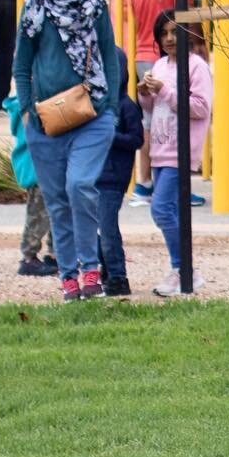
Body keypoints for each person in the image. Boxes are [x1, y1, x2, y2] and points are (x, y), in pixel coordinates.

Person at [12, 0, 123, 303]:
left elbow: (109, 53)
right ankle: (69, 276)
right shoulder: (34, 7)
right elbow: (22, 64)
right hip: (47, 121)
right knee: (57, 199)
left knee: (79, 186)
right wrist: (28, 110)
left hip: (92, 114)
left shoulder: (94, 4)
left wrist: (111, 106)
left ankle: (91, 268)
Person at [141, 10, 213, 293]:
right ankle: (183, 268)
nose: (169, 38)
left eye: (175, 32)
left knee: (161, 210)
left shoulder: (196, 66)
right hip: (159, 148)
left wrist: (166, 91)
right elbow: (151, 107)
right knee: (167, 210)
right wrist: (146, 93)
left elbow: (200, 107)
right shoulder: (159, 65)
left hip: (180, 150)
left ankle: (183, 267)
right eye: (164, 33)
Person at [128, 0, 192, 201]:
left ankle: (144, 182)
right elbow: (188, 19)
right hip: (170, 56)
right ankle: (174, 186)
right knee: (177, 115)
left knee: (149, 120)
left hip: (143, 55)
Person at [95, 48, 141, 298]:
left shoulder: (126, 107)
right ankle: (107, 270)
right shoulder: (95, 105)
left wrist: (111, 137)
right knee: (91, 228)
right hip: (93, 175)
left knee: (107, 227)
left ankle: (118, 276)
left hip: (113, 178)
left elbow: (137, 139)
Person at [2, 92, 57, 277]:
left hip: (44, 164)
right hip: (37, 166)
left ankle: (54, 252)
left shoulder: (31, 102)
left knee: (56, 210)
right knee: (39, 213)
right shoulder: (29, 106)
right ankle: (28, 256)